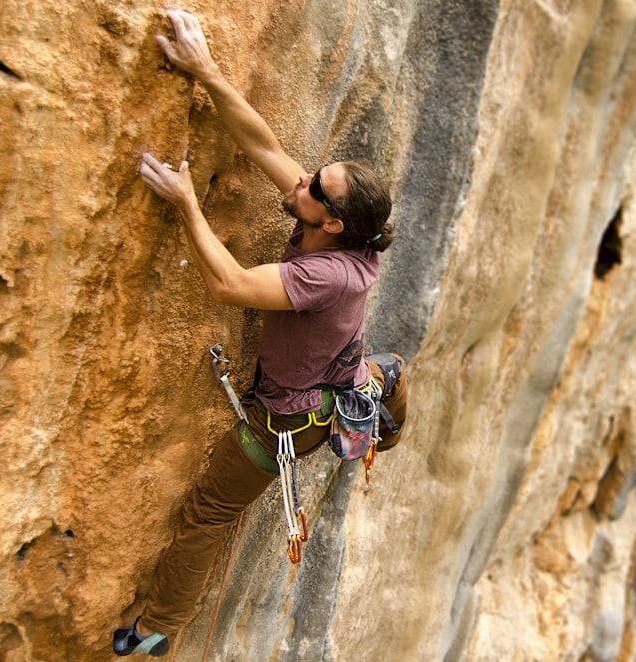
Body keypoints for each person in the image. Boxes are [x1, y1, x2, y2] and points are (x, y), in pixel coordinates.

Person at [112, 9, 407, 657]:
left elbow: (232, 285)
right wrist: (203, 68)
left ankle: (157, 627)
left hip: (287, 422)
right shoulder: (336, 220)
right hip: (342, 373)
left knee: (210, 514)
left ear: (332, 224)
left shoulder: (329, 274)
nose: (302, 181)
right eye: (315, 175)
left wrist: (188, 202)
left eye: (315, 189)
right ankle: (387, 388)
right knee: (371, 372)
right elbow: (266, 147)